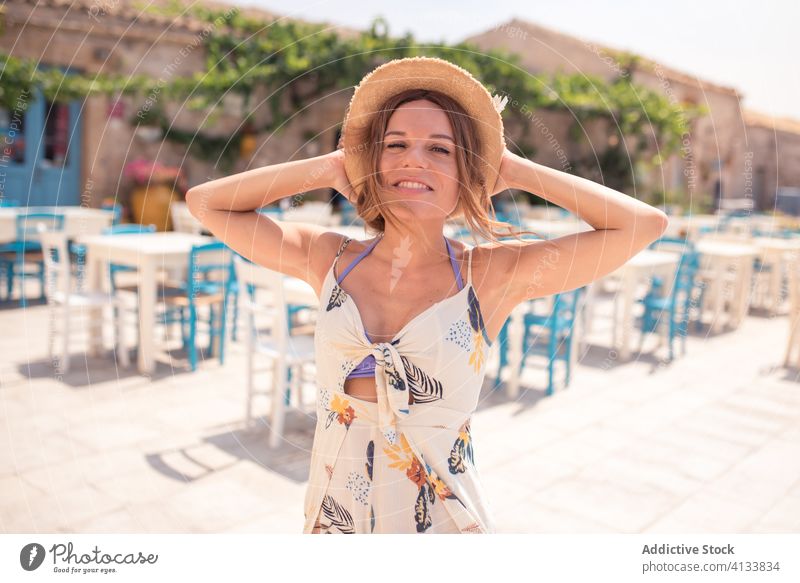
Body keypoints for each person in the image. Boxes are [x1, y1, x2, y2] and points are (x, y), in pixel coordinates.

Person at [186, 56, 669, 534]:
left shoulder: (491, 276)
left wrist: (515, 170)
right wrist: (334, 165)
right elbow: (205, 202)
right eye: (394, 144)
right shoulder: (327, 258)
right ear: (372, 162)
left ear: (467, 172)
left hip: (443, 526)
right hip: (335, 523)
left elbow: (642, 225)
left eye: (440, 150)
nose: (413, 158)